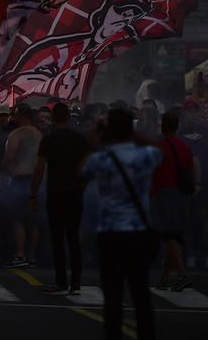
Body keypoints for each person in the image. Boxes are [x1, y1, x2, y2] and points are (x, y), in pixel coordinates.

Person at [82, 108, 161, 340]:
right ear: (130, 129)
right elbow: (161, 151)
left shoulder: (101, 158)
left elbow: (83, 171)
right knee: (140, 292)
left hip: (109, 233)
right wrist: (135, 135)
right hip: (137, 232)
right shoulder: (144, 155)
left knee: (113, 295)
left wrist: (95, 143)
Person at [30, 102, 90, 294]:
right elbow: (87, 167)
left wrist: (33, 193)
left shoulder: (48, 139)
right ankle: (77, 282)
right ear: (69, 118)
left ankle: (61, 281)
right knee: (73, 237)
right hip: (75, 192)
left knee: (57, 238)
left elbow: (39, 169)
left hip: (55, 192)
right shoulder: (80, 139)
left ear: (54, 118)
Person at [151, 111, 195, 292]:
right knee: (174, 237)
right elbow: (191, 173)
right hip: (181, 195)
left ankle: (183, 275)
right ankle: (164, 277)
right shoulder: (185, 147)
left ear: (163, 126)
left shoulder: (159, 146)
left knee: (168, 236)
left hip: (163, 194)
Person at [1, 104, 42, 268]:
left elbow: (9, 157)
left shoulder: (16, 134)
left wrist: (4, 169)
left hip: (20, 178)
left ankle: (20, 255)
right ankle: (32, 256)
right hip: (35, 179)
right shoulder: (38, 134)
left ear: (20, 115)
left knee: (18, 219)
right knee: (33, 220)